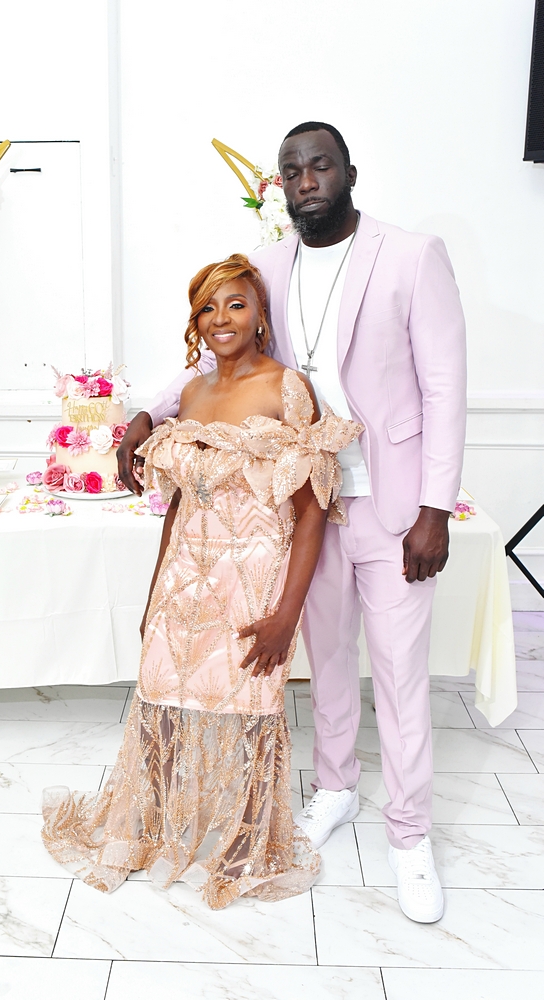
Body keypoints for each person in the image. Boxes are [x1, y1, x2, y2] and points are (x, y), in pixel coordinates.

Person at [117, 122, 467, 924]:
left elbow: (446, 385)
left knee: (401, 673)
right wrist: (149, 411)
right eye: (292, 170)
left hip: (392, 503)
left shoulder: (411, 256)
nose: (306, 179)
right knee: (328, 661)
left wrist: (435, 508)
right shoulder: (268, 264)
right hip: (302, 505)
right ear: (279, 185)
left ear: (349, 173)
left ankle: (410, 836)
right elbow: (217, 356)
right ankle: (336, 788)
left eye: (320, 166)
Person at [42, 254, 360, 910]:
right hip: (185, 576)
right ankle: (146, 830)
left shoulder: (288, 388)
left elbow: (311, 512)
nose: (221, 318)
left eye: (236, 304)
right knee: (159, 701)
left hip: (255, 578)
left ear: (260, 315)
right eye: (208, 308)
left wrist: (287, 614)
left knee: (249, 709)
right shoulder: (190, 394)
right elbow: (181, 503)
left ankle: (245, 844)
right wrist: (156, 593)